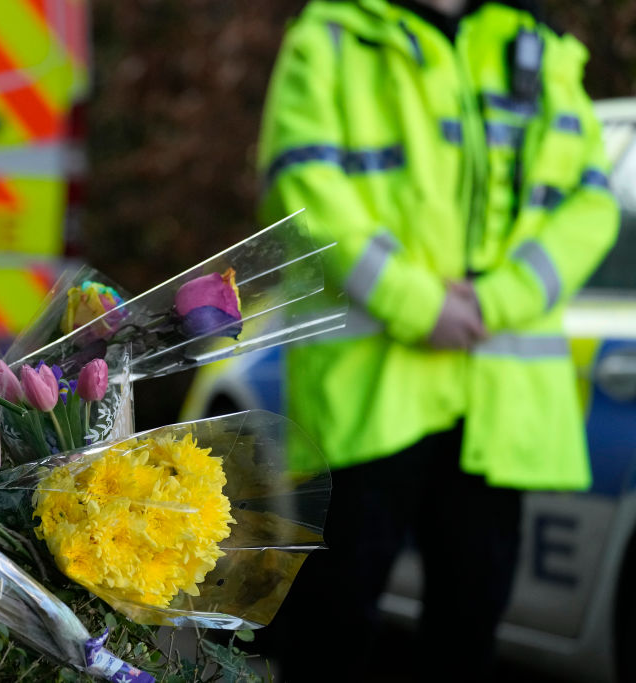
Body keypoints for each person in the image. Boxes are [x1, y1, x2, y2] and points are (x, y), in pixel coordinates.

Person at [256, 0, 619, 680]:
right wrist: (419, 304)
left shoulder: (534, 45)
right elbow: (300, 188)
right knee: (329, 635)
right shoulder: (333, 34)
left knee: (468, 637)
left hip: (494, 403)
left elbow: (591, 202)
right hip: (369, 402)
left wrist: (494, 300)